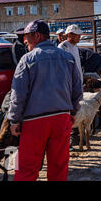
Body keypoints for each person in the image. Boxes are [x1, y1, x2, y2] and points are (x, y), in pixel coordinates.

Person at [8, 20, 83, 181]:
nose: (24, 41)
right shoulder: (68, 58)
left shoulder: (27, 59)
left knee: (26, 167)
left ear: (37, 35)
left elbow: (18, 94)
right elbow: (77, 90)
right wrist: (74, 112)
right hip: (62, 118)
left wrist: (14, 120)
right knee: (59, 166)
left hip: (34, 121)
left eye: (27, 36)